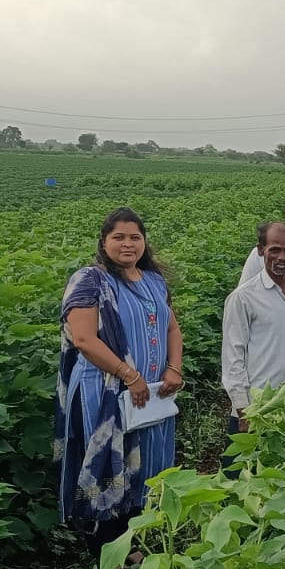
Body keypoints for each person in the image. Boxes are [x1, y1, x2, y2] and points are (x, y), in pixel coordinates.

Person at [56, 207, 185, 547]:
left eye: (135, 237)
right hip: (105, 392)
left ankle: (137, 533)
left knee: (147, 459)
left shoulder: (154, 281)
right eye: (119, 237)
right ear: (104, 241)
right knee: (110, 462)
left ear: (144, 242)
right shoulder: (90, 280)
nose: (127, 244)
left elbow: (171, 326)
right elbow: (84, 339)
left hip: (151, 394)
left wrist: (174, 368)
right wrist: (129, 375)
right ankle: (109, 544)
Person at [221, 222, 285, 434]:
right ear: (261, 250)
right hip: (257, 409)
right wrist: (243, 408)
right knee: (246, 467)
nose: (282, 257)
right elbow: (233, 358)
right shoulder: (243, 298)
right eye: (274, 250)